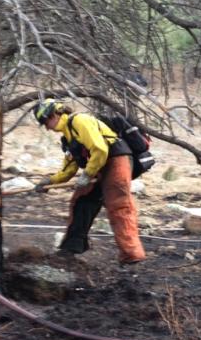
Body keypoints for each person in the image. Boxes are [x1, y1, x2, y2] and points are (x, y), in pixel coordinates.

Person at [33, 99, 146, 266]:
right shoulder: (68, 137)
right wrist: (49, 181)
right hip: (99, 166)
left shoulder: (80, 120)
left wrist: (87, 174)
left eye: (46, 120)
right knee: (81, 201)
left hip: (117, 160)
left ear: (56, 113)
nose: (47, 127)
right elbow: (69, 169)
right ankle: (71, 248)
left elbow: (100, 149)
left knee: (118, 204)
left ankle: (132, 254)